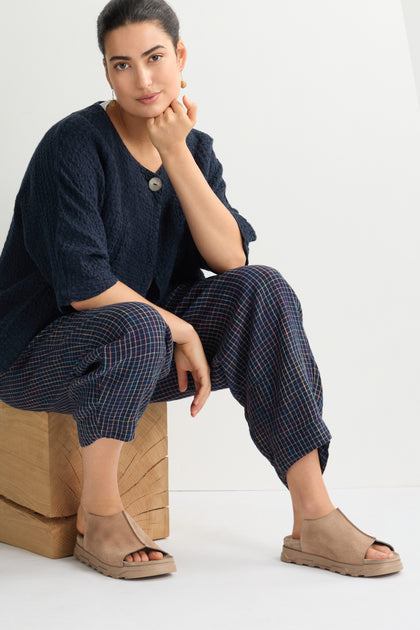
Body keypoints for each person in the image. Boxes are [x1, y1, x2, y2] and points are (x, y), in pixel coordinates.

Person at [0, 0, 402, 580]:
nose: (142, 79)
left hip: (140, 350)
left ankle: (313, 514)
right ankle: (100, 512)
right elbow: (86, 287)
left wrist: (176, 154)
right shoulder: (72, 147)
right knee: (141, 322)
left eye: (155, 57)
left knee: (263, 290)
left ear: (180, 56)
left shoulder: (194, 146)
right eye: (122, 64)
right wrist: (180, 326)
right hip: (40, 354)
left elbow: (230, 259)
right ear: (106, 71)